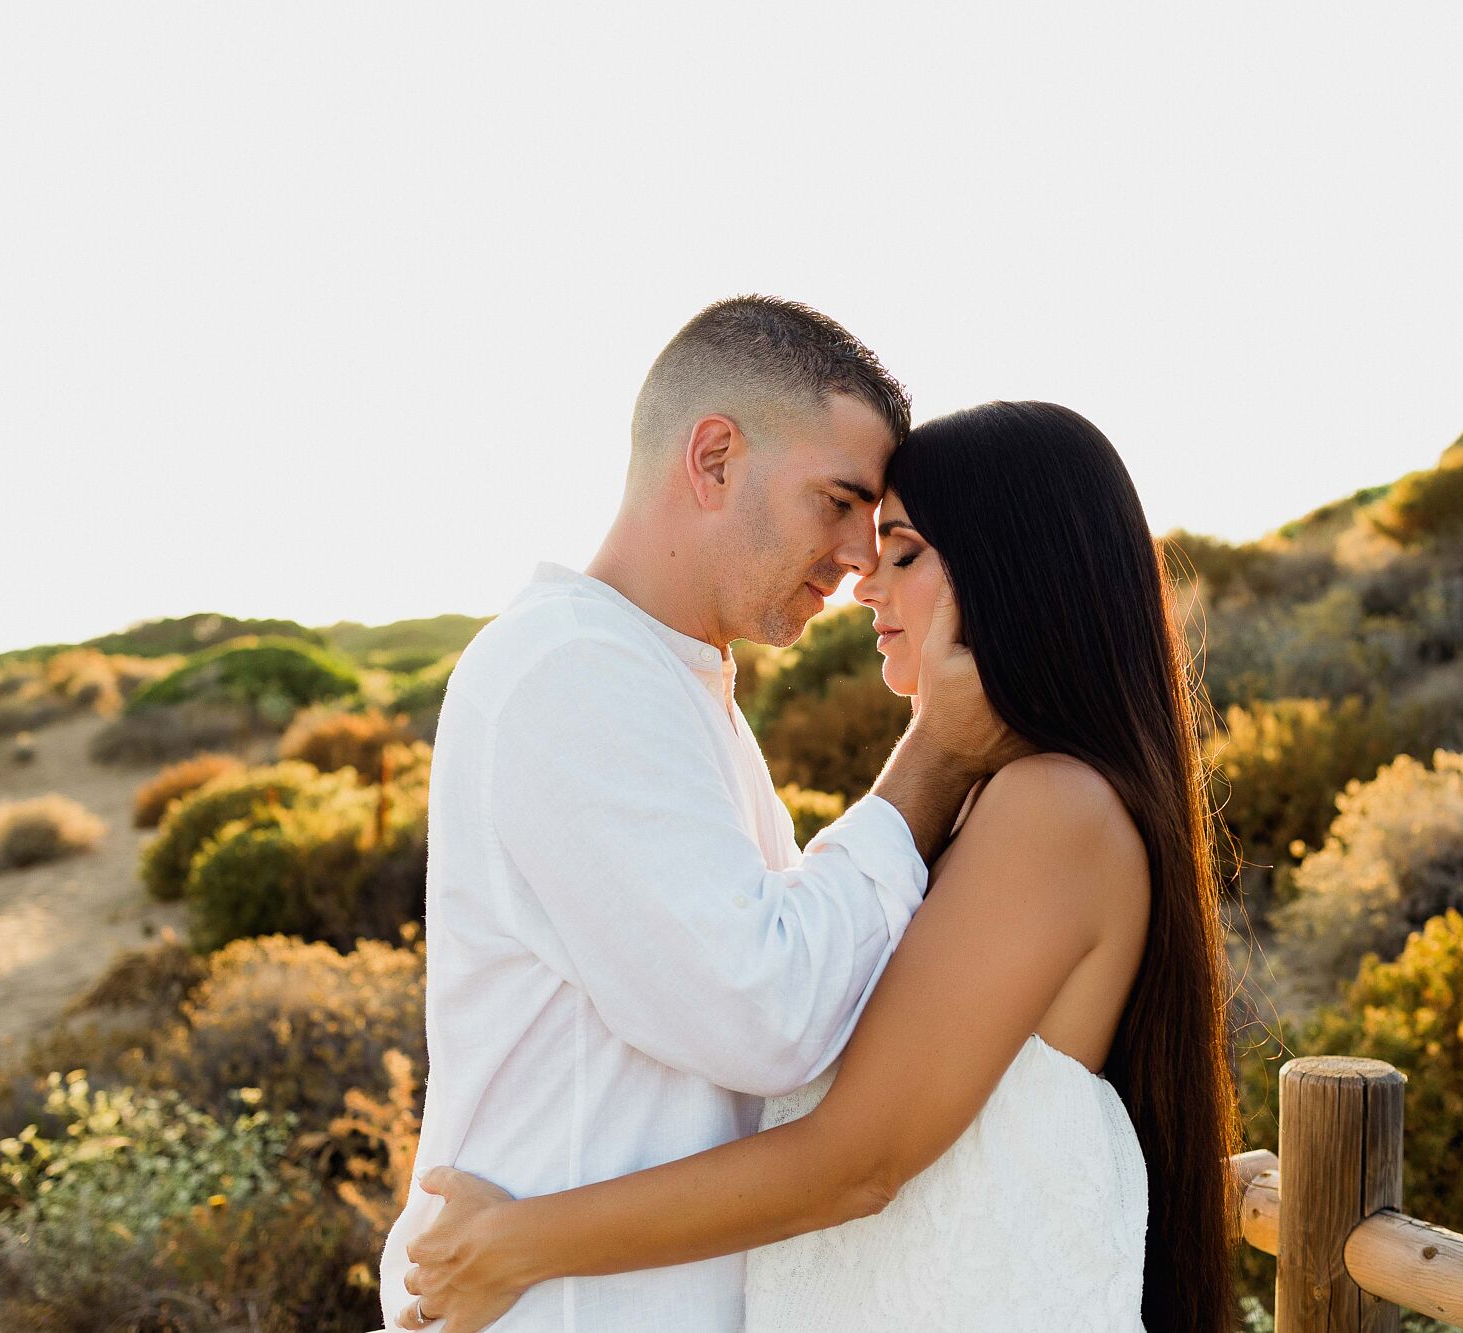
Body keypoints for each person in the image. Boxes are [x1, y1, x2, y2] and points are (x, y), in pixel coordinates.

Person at [395, 401, 1240, 1332]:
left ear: (1015, 573)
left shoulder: (1051, 808)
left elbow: (853, 1161)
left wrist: (518, 1241)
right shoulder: (1001, 799)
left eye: (903, 550)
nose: (864, 583)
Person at [376, 297, 1028, 1332]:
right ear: (715, 458)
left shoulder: (670, 685)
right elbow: (767, 1012)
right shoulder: (574, 673)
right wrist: (936, 754)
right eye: (837, 499)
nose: (861, 555)